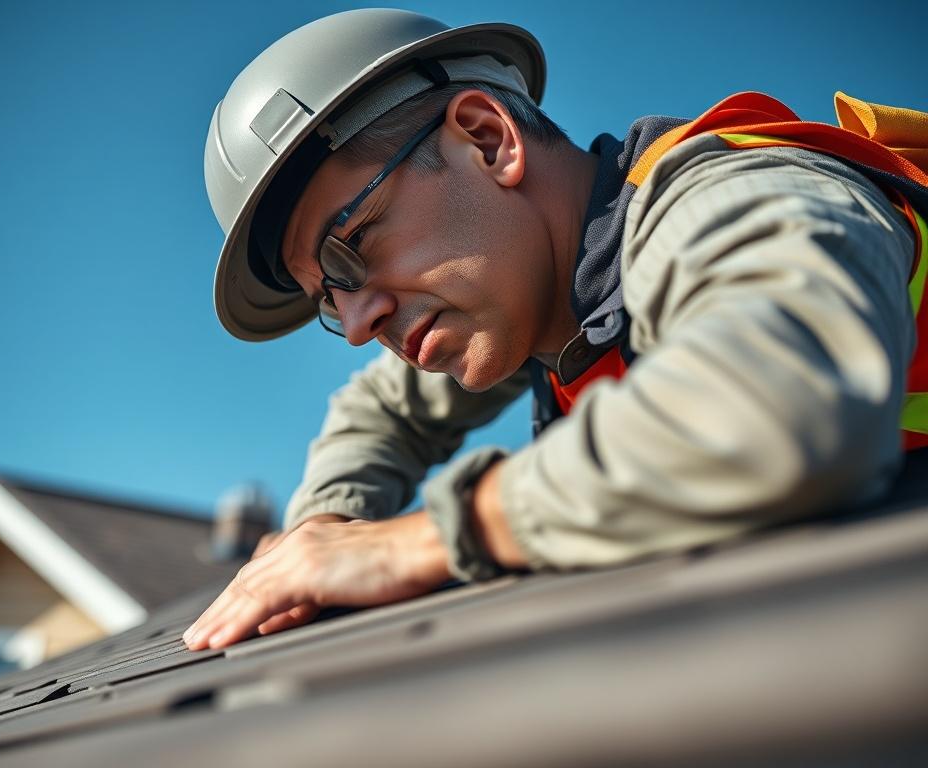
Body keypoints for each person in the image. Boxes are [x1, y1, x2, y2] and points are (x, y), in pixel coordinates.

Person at [183, 9, 926, 651]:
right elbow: (380, 411)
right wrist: (324, 536)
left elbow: (778, 409)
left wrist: (430, 539)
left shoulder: (740, 199)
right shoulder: (526, 302)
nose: (354, 324)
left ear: (487, 139)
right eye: (327, 298)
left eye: (351, 247)